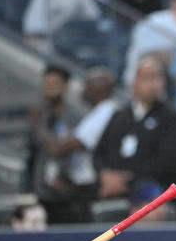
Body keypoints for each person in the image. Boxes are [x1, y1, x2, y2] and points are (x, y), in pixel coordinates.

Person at [94, 55, 176, 217]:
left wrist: (127, 178)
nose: (151, 84)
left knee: (151, 215)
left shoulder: (172, 118)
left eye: (156, 77)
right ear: (135, 82)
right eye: (146, 78)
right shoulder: (119, 116)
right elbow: (98, 153)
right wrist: (105, 175)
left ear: (163, 83)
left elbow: (169, 161)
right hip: (116, 193)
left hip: (157, 195)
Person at [32, 67, 118, 223]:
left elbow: (60, 149)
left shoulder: (104, 113)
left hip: (88, 190)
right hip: (74, 189)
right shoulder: (94, 113)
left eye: (88, 85)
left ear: (101, 89)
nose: (83, 89)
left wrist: (37, 125)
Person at [23, 65, 82, 221]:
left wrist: (38, 126)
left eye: (54, 85)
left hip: (68, 195)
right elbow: (31, 155)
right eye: (46, 85)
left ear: (65, 87)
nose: (49, 90)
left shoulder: (75, 117)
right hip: (42, 193)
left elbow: (62, 150)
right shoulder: (41, 115)